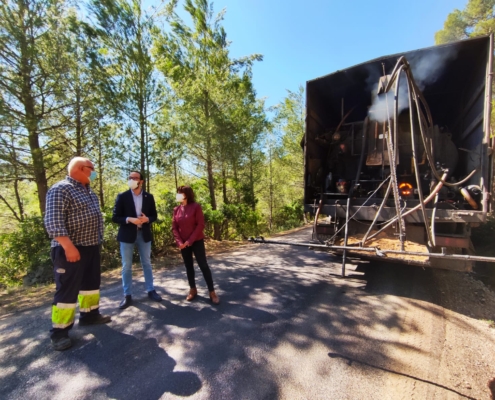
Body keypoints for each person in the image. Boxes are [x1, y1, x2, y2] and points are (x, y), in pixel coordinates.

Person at [44, 157, 111, 351]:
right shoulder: (61, 189)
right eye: (92, 169)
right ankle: (59, 332)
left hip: (91, 246)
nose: (94, 173)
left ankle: (90, 315)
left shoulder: (88, 191)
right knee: (67, 290)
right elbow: (53, 222)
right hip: (70, 248)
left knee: (90, 285)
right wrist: (68, 247)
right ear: (81, 169)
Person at [112, 171, 162, 309]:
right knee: (126, 266)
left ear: (141, 181)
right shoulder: (122, 196)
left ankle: (151, 290)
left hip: (144, 234)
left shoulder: (149, 197)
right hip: (127, 236)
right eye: (129, 178)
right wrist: (129, 219)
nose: (131, 180)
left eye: (134, 178)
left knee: (146, 263)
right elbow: (115, 217)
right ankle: (127, 295)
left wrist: (148, 219)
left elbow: (154, 215)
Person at [172, 186, 220, 305]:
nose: (178, 194)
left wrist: (190, 240)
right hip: (183, 244)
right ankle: (193, 289)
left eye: (180, 193)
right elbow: (174, 227)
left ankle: (212, 292)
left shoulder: (195, 207)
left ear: (186, 194)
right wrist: (179, 242)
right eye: (177, 192)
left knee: (203, 265)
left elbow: (200, 225)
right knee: (189, 267)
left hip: (196, 241)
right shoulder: (176, 209)